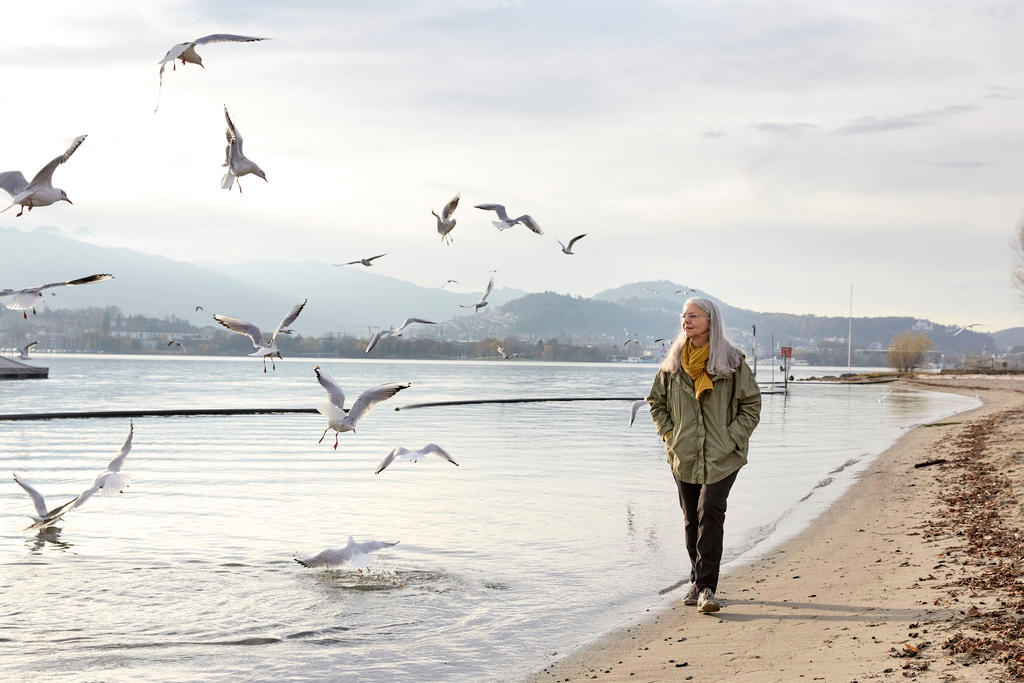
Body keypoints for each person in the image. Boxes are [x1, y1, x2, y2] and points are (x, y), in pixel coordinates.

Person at [647, 297, 761, 613]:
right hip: (684, 454)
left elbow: (751, 404)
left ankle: (707, 587)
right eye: (684, 315)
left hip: (722, 455)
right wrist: (670, 435)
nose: (687, 320)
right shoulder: (672, 363)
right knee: (691, 519)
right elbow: (656, 402)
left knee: (710, 510)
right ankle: (697, 581)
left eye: (694, 315)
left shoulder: (733, 362)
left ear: (711, 320)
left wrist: (733, 437)